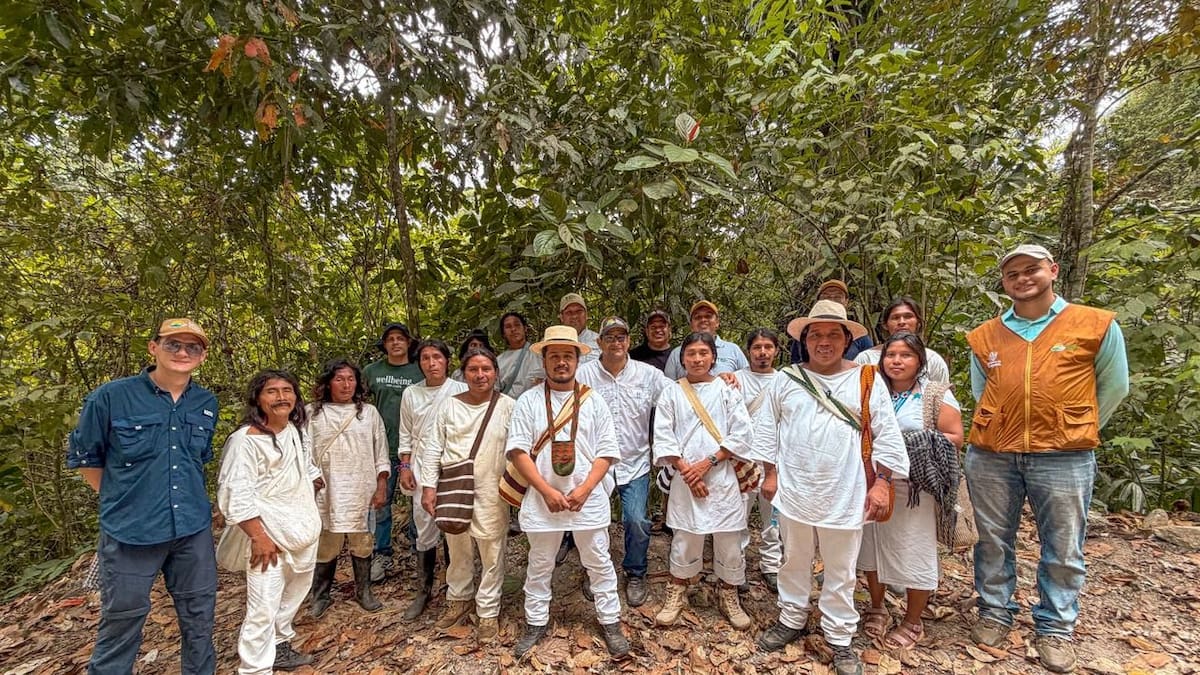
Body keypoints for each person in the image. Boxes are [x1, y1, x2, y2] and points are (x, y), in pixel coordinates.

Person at [965, 244, 1129, 673]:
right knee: (992, 538)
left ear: (1052, 271)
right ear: (1004, 283)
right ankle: (995, 610)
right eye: (1012, 273)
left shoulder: (1093, 324)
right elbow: (982, 390)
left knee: (1063, 544)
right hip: (993, 453)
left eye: (1031, 269)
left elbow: (1114, 388)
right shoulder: (986, 335)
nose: (1022, 278)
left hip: (1064, 455)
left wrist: (1075, 426)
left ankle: (1055, 625)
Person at [755, 300, 908, 675]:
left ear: (846, 340)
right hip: (795, 488)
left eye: (833, 335)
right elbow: (766, 430)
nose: (824, 342)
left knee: (841, 568)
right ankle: (791, 618)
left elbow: (887, 434)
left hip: (846, 490)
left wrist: (883, 483)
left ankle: (839, 636)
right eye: (816, 335)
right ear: (805, 340)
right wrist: (770, 474)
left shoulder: (866, 378)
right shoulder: (785, 379)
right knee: (793, 559)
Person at [69, 318, 220, 674]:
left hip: (191, 529)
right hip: (130, 532)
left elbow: (197, 460)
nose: (182, 352)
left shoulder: (205, 402)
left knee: (199, 620)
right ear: (154, 348)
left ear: (202, 356)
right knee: (122, 621)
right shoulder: (111, 397)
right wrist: (124, 499)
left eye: (192, 347)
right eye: (173, 344)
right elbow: (87, 458)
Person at [507, 326, 629, 659]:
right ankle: (535, 622)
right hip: (542, 499)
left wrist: (586, 489)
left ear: (577, 360)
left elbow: (607, 452)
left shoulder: (595, 401)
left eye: (568, 356)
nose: (561, 362)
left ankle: (610, 622)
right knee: (540, 563)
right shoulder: (529, 401)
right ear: (544, 360)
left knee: (599, 561)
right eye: (555, 356)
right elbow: (517, 451)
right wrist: (546, 490)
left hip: (586, 500)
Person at [856, 333, 964, 650]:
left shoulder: (933, 394)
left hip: (915, 488)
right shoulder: (872, 391)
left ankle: (912, 621)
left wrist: (909, 444)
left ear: (919, 361)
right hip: (872, 483)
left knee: (914, 549)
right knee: (872, 546)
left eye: (905, 355)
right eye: (891, 355)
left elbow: (955, 436)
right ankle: (877, 607)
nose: (897, 361)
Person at [217, 370, 322, 674]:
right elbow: (236, 492)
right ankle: (255, 668)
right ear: (258, 399)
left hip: (301, 527)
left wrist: (314, 482)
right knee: (263, 605)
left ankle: (280, 643)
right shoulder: (245, 441)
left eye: (287, 390)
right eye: (272, 392)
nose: (281, 397)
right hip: (268, 536)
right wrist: (258, 536)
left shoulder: (295, 430)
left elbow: (307, 464)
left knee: (296, 590)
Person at [653, 332, 757, 630]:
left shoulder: (727, 391)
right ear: (682, 358)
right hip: (684, 479)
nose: (697, 359)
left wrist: (708, 463)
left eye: (703, 353)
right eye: (691, 354)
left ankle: (729, 594)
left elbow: (742, 432)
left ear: (713, 356)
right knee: (685, 537)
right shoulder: (672, 392)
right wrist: (688, 470)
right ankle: (677, 592)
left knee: (728, 539)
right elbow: (663, 434)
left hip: (723, 477)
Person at [419, 348, 516, 643]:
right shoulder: (449, 406)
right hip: (454, 488)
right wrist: (429, 486)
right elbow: (434, 446)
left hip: (491, 489)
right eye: (473, 369)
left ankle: (488, 611)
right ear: (464, 373)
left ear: (495, 373)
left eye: (486, 369)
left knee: (491, 550)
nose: (480, 375)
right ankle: (459, 599)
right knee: (457, 545)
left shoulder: (508, 405)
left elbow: (518, 448)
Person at [576, 316, 673, 607]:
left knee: (637, 520)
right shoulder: (584, 375)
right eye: (610, 337)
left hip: (635, 461)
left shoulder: (648, 375)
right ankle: (595, 571)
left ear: (629, 341)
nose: (616, 343)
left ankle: (635, 572)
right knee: (593, 522)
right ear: (599, 342)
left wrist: (720, 380)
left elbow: (680, 394)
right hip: (595, 463)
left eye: (621, 337)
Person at [305, 359, 390, 618]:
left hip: (361, 488)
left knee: (362, 541)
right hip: (326, 489)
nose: (346, 384)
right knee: (327, 543)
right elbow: (302, 448)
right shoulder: (312, 413)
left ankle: (363, 591)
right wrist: (311, 475)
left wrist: (381, 484)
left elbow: (381, 451)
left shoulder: (369, 413)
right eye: (339, 379)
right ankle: (320, 595)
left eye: (351, 379)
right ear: (328, 383)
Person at [396, 338, 468, 620]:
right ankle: (423, 590)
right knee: (424, 528)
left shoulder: (460, 389)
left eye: (437, 357)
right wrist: (404, 465)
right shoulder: (411, 394)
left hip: (453, 466)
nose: (432, 363)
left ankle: (457, 588)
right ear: (419, 363)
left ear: (447, 360)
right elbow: (405, 433)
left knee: (454, 526)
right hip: (421, 466)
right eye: (425, 358)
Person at [362, 321, 424, 581]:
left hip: (414, 448)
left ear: (409, 343)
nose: (396, 343)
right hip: (383, 447)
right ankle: (382, 552)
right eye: (390, 339)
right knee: (382, 501)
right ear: (384, 344)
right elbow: (361, 405)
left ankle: (417, 546)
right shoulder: (371, 371)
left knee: (418, 499)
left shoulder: (419, 369)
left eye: (401, 338)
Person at [732, 328, 784, 592]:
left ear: (776, 350)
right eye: (757, 347)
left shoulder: (784, 380)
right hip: (742, 460)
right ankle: (736, 568)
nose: (762, 353)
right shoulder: (735, 379)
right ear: (748, 351)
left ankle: (771, 565)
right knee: (738, 517)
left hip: (773, 461)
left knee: (772, 519)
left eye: (768, 347)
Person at [854, 297, 950, 383]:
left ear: (918, 323)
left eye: (908, 317)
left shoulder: (932, 359)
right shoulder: (866, 358)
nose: (902, 322)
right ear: (885, 325)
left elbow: (942, 398)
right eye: (895, 318)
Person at [789, 280, 874, 364]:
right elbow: (795, 362)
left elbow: (870, 361)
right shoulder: (804, 333)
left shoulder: (861, 338)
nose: (832, 300)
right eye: (826, 297)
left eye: (837, 297)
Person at [664, 300, 749, 379]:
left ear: (717, 322)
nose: (703, 320)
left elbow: (746, 380)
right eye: (698, 317)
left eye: (708, 316)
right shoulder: (677, 353)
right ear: (691, 325)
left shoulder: (733, 350)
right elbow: (668, 385)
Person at [497, 312, 544, 399]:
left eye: (517, 325)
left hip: (535, 406)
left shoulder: (539, 354)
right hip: (509, 409)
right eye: (508, 327)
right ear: (503, 334)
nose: (513, 329)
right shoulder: (498, 361)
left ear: (525, 328)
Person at [558, 292, 601, 364]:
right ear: (562, 317)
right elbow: (536, 373)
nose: (574, 316)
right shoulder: (549, 342)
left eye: (579, 311)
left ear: (586, 315)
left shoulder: (600, 341)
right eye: (569, 312)